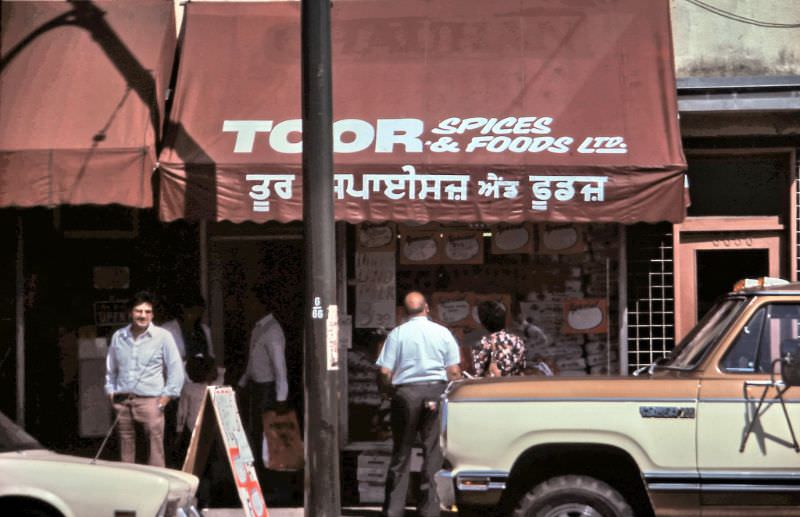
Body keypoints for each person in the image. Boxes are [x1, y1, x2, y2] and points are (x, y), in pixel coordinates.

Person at [376, 291, 462, 517]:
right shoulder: (443, 333)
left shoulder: (397, 334)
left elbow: (385, 372)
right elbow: (453, 371)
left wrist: (388, 393)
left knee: (401, 453)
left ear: (404, 312)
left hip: (405, 394)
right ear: (427, 308)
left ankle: (394, 510)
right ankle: (429, 509)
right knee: (433, 452)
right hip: (435, 390)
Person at [105, 291, 185, 467]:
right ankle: (128, 486)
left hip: (151, 401)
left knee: (154, 451)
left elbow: (175, 368)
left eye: (147, 312)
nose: (143, 315)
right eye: (138, 311)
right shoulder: (119, 336)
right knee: (125, 450)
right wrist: (111, 392)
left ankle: (156, 487)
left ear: (153, 314)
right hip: (123, 400)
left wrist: (165, 398)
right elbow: (111, 368)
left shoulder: (163, 336)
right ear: (130, 313)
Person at [237, 290, 290, 472]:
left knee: (266, 435)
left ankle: (269, 475)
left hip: (267, 389)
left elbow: (279, 367)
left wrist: (281, 399)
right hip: (255, 387)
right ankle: (258, 472)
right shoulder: (258, 328)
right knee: (255, 433)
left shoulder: (273, 330)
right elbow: (253, 360)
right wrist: (243, 382)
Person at [473, 300, 526, 377]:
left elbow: (479, 372)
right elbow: (522, 367)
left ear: (482, 322)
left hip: (493, 387)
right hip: (515, 385)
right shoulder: (517, 340)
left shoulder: (483, 343)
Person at [161, 293, 214, 360]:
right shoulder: (167, 330)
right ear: (183, 310)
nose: (195, 317)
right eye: (192, 312)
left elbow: (210, 355)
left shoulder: (205, 330)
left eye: (199, 314)